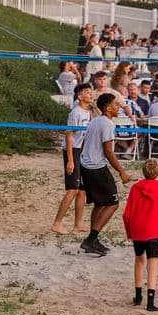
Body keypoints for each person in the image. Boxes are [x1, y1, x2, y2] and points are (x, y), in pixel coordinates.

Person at [79, 93, 133, 255]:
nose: (118, 108)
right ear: (108, 108)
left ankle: (92, 240)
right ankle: (91, 239)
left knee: (99, 203)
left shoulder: (95, 121)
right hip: (96, 166)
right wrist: (122, 172)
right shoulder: (107, 124)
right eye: (116, 105)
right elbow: (108, 151)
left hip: (86, 164)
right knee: (113, 203)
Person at [122, 159, 158, 311]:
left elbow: (126, 215)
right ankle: (150, 302)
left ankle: (138, 296)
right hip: (154, 231)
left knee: (139, 260)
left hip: (138, 230)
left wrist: (129, 232)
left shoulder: (135, 188)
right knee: (152, 265)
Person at [52, 84, 94, 235]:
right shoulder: (75, 113)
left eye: (91, 92)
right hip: (73, 151)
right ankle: (57, 223)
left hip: (81, 151)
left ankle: (77, 224)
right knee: (73, 189)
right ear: (80, 96)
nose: (90, 95)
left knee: (82, 190)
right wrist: (71, 160)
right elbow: (69, 137)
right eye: (87, 93)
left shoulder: (87, 112)